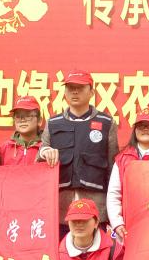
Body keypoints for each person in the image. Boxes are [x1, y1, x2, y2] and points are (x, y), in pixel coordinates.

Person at [38, 71, 120, 224]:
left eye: (80, 87)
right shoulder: (53, 123)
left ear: (92, 92)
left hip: (96, 208)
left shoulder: (107, 123)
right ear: (64, 92)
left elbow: (113, 168)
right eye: (70, 88)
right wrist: (44, 151)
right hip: (60, 209)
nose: (74, 92)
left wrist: (113, 209)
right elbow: (40, 158)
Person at [107, 108, 149, 240]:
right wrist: (117, 223)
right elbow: (114, 194)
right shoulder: (122, 158)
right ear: (135, 130)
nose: (145, 129)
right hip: (130, 224)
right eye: (141, 126)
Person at [0, 96, 45, 165]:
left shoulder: (47, 148)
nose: (22, 120)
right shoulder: (4, 148)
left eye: (28, 115)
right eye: (18, 116)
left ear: (39, 120)